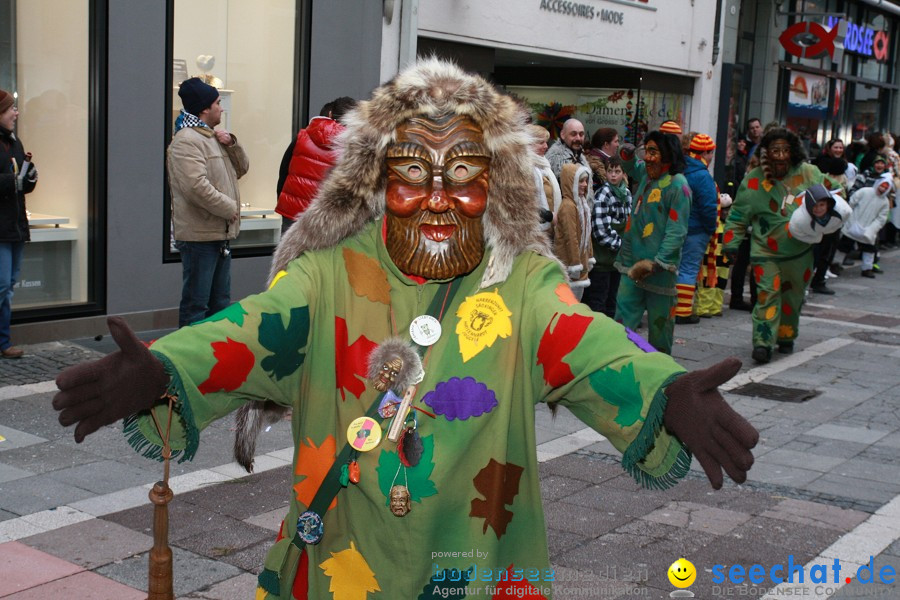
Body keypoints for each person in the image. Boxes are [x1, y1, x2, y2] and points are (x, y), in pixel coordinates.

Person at [53, 60, 757, 600]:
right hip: (341, 553)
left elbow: (585, 338)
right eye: (414, 173)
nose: (441, 198)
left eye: (465, 175)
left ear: (497, 183)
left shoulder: (521, 282)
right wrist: (165, 369)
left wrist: (663, 387)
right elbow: (251, 329)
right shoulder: (328, 274)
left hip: (472, 556)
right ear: (377, 178)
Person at [723, 128, 827, 364]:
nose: (780, 156)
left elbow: (833, 197)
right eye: (775, 151)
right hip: (765, 252)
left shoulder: (809, 173)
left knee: (792, 298)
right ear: (766, 153)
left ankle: (786, 335)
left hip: (800, 253)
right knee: (766, 296)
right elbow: (738, 214)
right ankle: (763, 341)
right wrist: (731, 245)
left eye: (785, 150)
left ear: (793, 152)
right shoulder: (754, 179)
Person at [169, 77, 249, 328]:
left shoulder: (212, 137)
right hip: (200, 237)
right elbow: (196, 187)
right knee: (196, 306)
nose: (221, 108)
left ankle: (214, 359)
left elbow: (242, 169)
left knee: (219, 305)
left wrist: (232, 145)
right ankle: (188, 361)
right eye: (217, 103)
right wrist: (229, 208)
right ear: (204, 108)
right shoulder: (186, 141)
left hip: (218, 232)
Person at [614, 131, 691, 354]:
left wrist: (657, 263)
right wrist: (626, 152)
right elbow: (630, 164)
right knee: (622, 321)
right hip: (631, 263)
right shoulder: (647, 175)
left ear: (667, 154)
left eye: (653, 152)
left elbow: (677, 231)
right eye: (646, 151)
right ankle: (621, 360)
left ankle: (660, 368)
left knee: (660, 327)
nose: (647, 158)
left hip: (659, 269)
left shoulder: (679, 186)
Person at [275, 97, 356, 235]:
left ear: (329, 114)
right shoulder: (352, 147)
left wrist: (285, 203)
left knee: (291, 255)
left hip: (293, 214)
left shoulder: (302, 137)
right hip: (325, 219)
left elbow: (284, 173)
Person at [0, 89, 37, 359]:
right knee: (1, 285)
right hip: (1, 228)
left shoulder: (14, 142)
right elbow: (10, 182)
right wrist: (13, 182)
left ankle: (3, 342)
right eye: (11, 109)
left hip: (14, 225)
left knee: (9, 285)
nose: (16, 113)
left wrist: (30, 179)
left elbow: (20, 186)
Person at [675, 133, 719, 324]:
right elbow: (709, 207)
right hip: (697, 230)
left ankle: (675, 307)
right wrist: (710, 229)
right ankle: (683, 312)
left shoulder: (680, 169)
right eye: (711, 153)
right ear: (705, 152)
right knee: (689, 269)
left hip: (678, 227)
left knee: (678, 268)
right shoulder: (702, 176)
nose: (711, 157)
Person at [583, 156, 631, 318]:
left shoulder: (627, 194)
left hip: (617, 261)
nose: (613, 175)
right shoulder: (603, 194)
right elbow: (600, 230)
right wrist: (621, 245)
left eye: (617, 171)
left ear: (623, 174)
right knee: (598, 301)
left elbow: (630, 222)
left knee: (614, 299)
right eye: (610, 171)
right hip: (603, 260)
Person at [837, 175, 892, 278]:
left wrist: (871, 230)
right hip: (852, 224)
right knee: (843, 247)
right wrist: (849, 219)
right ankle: (835, 264)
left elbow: (881, 219)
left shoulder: (885, 202)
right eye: (882, 185)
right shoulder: (865, 191)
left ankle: (867, 268)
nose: (883, 188)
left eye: (886, 187)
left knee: (869, 250)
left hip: (868, 229)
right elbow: (851, 203)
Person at [555, 163, 594, 299]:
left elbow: (586, 235)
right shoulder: (568, 206)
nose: (584, 184)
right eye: (580, 181)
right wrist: (575, 264)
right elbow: (571, 238)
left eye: (586, 181)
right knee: (570, 304)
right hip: (570, 267)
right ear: (570, 183)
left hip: (580, 266)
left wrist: (589, 256)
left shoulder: (582, 204)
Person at [528, 124, 561, 239]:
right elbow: (524, 204)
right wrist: (549, 216)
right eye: (541, 142)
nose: (546, 146)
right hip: (532, 232)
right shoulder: (524, 168)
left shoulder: (545, 165)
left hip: (548, 228)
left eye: (546, 142)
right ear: (529, 143)